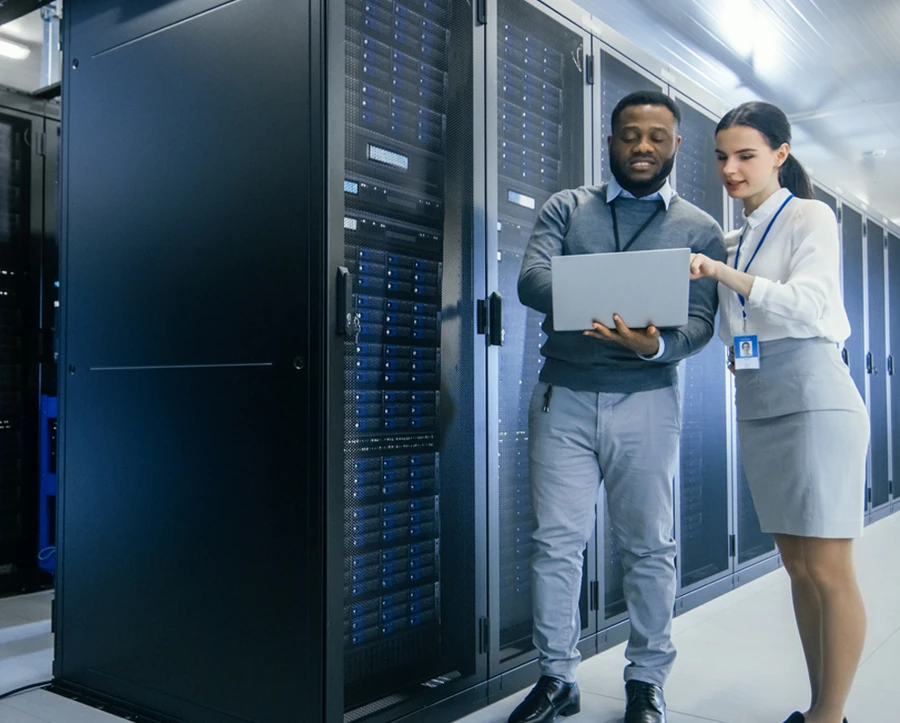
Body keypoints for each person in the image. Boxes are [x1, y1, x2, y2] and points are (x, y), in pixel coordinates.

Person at [510, 90, 725, 723]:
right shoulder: (567, 207)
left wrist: (653, 342)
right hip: (563, 398)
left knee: (649, 546)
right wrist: (617, 299)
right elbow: (531, 280)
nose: (643, 147)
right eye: (630, 135)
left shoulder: (700, 228)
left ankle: (647, 681)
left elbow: (701, 323)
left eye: (657, 137)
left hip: (649, 401)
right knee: (556, 543)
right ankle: (557, 679)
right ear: (610, 141)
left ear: (676, 146)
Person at [689, 101, 868, 723]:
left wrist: (721, 273)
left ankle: (828, 717)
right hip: (761, 399)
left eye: (746, 155)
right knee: (797, 568)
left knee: (827, 568)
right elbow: (743, 326)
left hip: (815, 398)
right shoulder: (736, 239)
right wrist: (740, 349)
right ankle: (824, 707)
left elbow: (809, 304)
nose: (730, 169)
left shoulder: (809, 217)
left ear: (780, 156)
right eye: (721, 157)